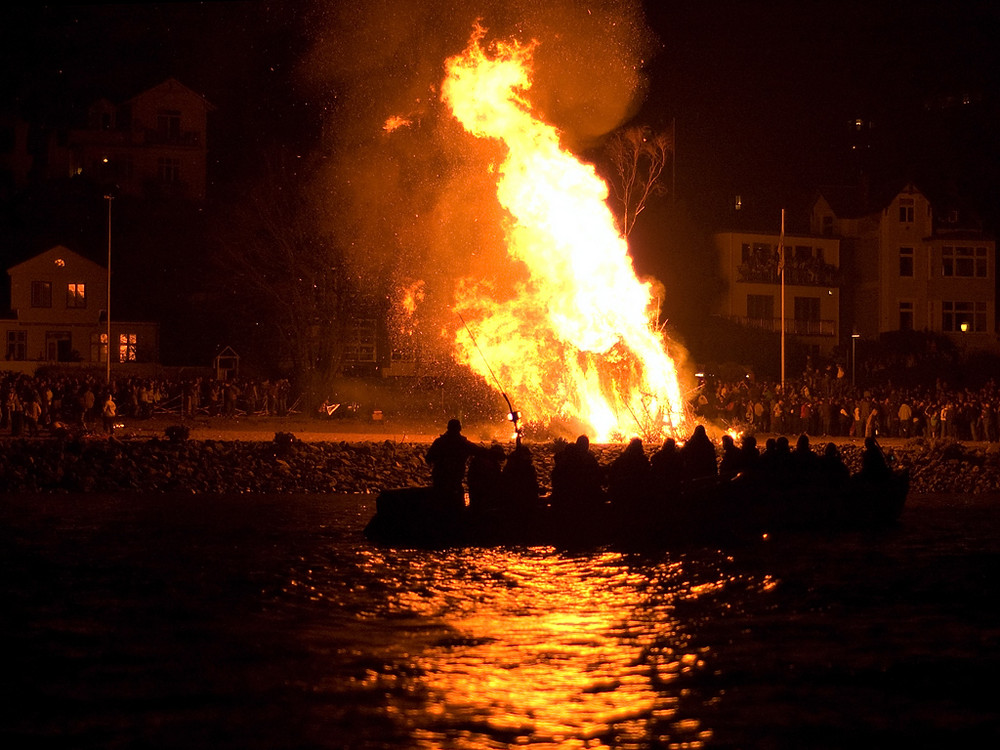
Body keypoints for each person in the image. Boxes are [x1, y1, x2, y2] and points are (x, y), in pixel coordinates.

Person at [425, 419, 483, 509]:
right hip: (454, 482)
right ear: (459, 428)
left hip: (440, 482)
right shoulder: (462, 444)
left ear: (448, 428)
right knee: (456, 509)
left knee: (440, 508)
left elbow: (428, 459)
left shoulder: (439, 443)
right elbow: (479, 451)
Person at [550, 435, 605, 510]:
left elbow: (555, 478)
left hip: (563, 500)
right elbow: (597, 478)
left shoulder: (564, 459)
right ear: (586, 446)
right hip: (584, 500)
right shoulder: (588, 459)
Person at [467, 444, 506, 512]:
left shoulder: (480, 459)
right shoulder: (490, 464)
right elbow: (494, 481)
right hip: (484, 494)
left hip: (476, 491)